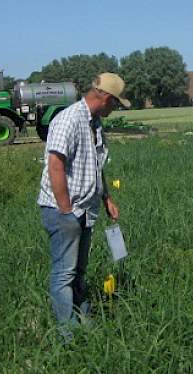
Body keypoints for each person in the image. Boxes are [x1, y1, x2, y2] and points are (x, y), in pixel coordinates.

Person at [37, 73, 127, 340]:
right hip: (63, 210)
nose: (116, 109)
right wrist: (66, 211)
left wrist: (107, 198)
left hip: (86, 210)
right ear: (107, 99)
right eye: (117, 104)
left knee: (79, 271)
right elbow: (55, 165)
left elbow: (96, 167)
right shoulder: (68, 120)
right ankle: (68, 336)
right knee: (64, 273)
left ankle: (83, 321)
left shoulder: (95, 123)